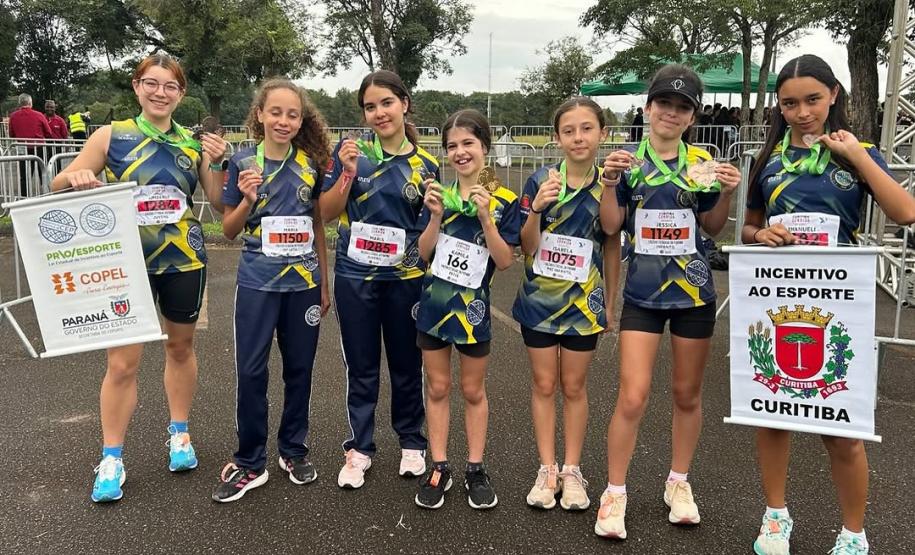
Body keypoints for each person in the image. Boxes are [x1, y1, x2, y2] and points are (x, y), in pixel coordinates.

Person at [742, 54, 915, 555]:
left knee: (842, 426)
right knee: (773, 414)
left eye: (812, 100)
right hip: (776, 300)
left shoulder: (855, 152)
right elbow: (749, 226)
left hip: (839, 304)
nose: (801, 112)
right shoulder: (769, 158)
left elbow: (904, 211)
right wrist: (761, 234)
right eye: (790, 103)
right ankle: (776, 517)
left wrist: (860, 158)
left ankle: (853, 533)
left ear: (834, 95)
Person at [51, 54, 228, 503]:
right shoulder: (111, 135)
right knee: (122, 363)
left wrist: (221, 163)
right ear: (137, 86)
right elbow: (57, 183)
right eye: (152, 83)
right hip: (124, 264)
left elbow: (217, 202)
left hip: (184, 260)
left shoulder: (192, 143)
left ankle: (180, 434)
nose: (160, 93)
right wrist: (79, 175)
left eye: (170, 86)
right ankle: (112, 457)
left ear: (181, 93)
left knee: (180, 347)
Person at [594, 64, 741, 540]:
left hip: (694, 292)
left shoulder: (702, 162)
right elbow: (613, 226)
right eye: (664, 104)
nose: (671, 114)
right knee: (633, 395)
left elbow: (713, 226)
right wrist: (610, 183)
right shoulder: (627, 162)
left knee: (686, 394)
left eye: (682, 108)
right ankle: (614, 491)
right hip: (643, 292)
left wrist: (726, 193)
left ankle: (678, 482)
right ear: (648, 107)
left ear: (692, 116)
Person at [211, 79, 332, 502]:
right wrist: (246, 199)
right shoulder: (243, 161)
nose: (284, 120)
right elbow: (227, 230)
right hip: (258, 283)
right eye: (275, 112)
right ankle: (250, 461)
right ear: (259, 115)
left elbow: (317, 223)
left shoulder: (311, 164)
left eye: (293, 114)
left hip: (303, 285)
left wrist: (324, 280)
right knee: (251, 370)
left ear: (302, 120)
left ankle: (293, 450)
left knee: (300, 368)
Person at [320, 70, 436, 489]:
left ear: (404, 103)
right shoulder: (351, 155)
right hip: (355, 277)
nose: (379, 112)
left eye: (386, 102)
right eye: (370, 106)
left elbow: (429, 232)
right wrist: (348, 172)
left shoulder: (428, 165)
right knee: (362, 364)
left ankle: (412, 440)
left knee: (408, 363)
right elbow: (327, 214)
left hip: (406, 279)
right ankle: (360, 447)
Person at [512, 96, 621, 513]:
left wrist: (610, 302)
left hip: (585, 303)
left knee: (574, 386)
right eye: (569, 130)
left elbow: (611, 243)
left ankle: (572, 469)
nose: (578, 137)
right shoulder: (540, 179)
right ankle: (546, 467)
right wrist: (536, 209)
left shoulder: (610, 182)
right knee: (543, 384)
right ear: (557, 137)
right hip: (539, 300)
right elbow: (527, 244)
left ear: (602, 134)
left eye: (587, 128)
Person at [413, 109, 519, 510]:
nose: (460, 152)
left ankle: (476, 467)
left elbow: (506, 261)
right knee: (438, 388)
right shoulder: (437, 193)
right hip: (435, 306)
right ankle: (439, 465)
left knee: (473, 389)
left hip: (474, 312)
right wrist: (435, 218)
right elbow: (422, 255)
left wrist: (487, 219)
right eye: (452, 146)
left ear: (485, 147)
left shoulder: (501, 197)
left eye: (468, 144)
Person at [8, 93, 52, 196]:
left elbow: (11, 134)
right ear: (30, 103)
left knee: (24, 175)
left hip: (22, 148)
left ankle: (24, 197)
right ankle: (46, 194)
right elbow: (48, 132)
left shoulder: (13, 116)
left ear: (20, 103)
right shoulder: (39, 115)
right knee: (43, 172)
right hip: (39, 147)